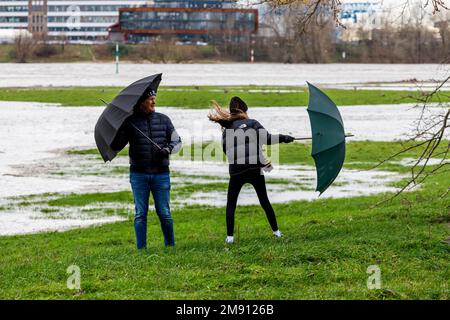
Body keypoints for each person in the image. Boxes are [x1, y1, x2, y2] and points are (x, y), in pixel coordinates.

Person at [208, 96, 295, 244]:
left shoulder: (227, 129)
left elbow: (225, 150)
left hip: (236, 170)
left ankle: (229, 238)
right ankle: (277, 233)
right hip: (255, 167)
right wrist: (285, 137)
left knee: (231, 204)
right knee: (264, 200)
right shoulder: (253, 123)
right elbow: (267, 138)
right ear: (244, 111)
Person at [111, 89, 182, 250]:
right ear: (142, 102)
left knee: (164, 213)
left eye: (154, 98)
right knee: (140, 214)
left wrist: (168, 149)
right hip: (138, 174)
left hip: (161, 174)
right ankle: (141, 249)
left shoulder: (164, 120)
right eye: (151, 99)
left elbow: (178, 141)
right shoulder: (130, 122)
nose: (154, 102)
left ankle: (170, 247)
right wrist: (122, 127)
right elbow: (115, 146)